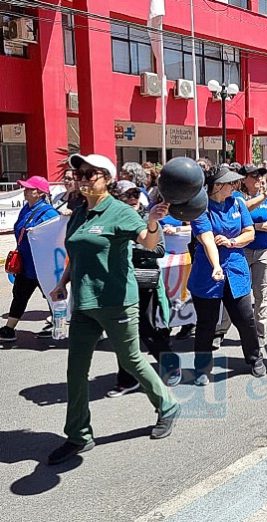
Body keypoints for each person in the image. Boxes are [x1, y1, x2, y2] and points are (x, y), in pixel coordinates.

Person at [47, 153, 179, 465]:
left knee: (132, 360)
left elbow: (147, 243)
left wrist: (153, 222)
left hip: (117, 302)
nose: (83, 178)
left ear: (106, 178)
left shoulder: (119, 211)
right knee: (75, 371)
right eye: (80, 173)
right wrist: (62, 282)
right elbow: (76, 254)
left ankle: (168, 405)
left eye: (91, 174)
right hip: (84, 303)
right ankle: (78, 434)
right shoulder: (80, 212)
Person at [187, 165, 267, 385]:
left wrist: (232, 242)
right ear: (218, 185)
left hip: (236, 271)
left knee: (245, 319)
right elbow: (206, 239)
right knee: (206, 324)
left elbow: (249, 233)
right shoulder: (200, 208)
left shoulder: (238, 202)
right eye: (232, 183)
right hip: (207, 275)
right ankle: (202, 369)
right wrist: (215, 265)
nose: (236, 186)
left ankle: (254, 358)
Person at [107, 181, 181, 397]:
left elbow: (158, 250)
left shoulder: (148, 219)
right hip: (117, 284)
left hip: (141, 284)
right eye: (125, 197)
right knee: (121, 333)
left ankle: (170, 365)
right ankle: (127, 379)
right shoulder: (109, 221)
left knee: (147, 331)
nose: (131, 200)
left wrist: (130, 248)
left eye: (134, 197)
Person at [0, 176, 59, 342]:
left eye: (29, 188)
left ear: (40, 193)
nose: (25, 191)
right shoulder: (26, 208)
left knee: (52, 298)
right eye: (25, 188)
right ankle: (9, 329)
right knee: (19, 295)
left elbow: (55, 238)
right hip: (26, 264)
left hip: (42, 266)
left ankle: (59, 326)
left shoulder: (49, 213)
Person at [240, 164, 267, 351]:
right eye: (253, 176)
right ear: (244, 179)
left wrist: (251, 227)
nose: (258, 180)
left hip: (264, 250)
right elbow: (244, 209)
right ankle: (221, 329)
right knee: (236, 292)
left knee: (262, 294)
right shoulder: (239, 197)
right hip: (242, 250)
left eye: (260, 176)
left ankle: (259, 335)